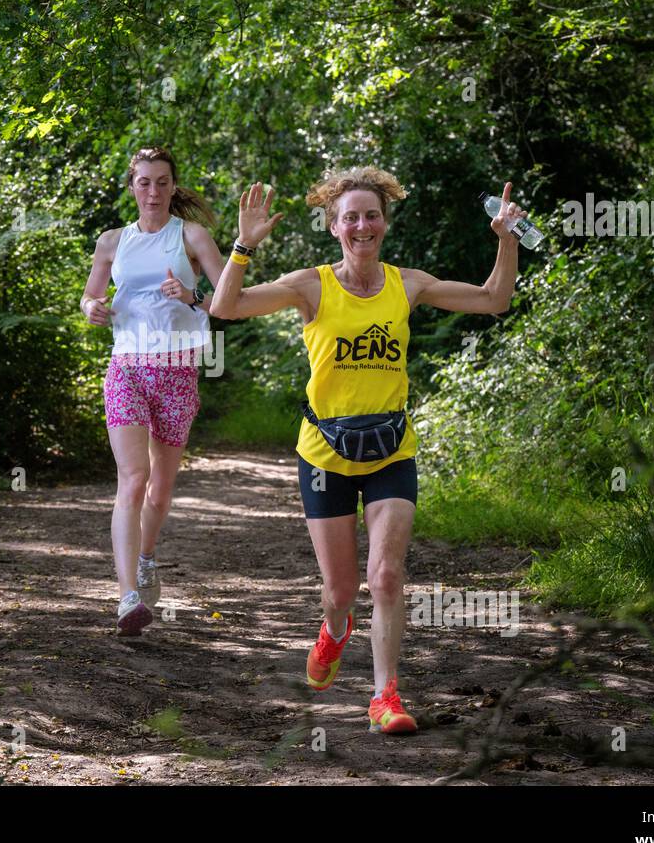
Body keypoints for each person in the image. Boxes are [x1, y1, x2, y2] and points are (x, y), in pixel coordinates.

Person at [210, 169, 523, 732]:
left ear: (384, 223)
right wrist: (244, 246)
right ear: (334, 227)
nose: (362, 225)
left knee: (386, 577)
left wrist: (506, 237)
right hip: (326, 455)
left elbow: (494, 299)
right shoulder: (311, 285)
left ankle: (385, 696)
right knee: (340, 592)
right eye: (350, 216)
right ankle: (333, 630)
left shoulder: (408, 284)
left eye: (371, 215)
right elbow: (224, 308)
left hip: (391, 450)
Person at [80, 147, 226, 635]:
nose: (153, 192)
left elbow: (230, 298)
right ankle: (126, 598)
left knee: (160, 490)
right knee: (133, 478)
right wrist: (91, 309)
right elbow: (90, 295)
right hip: (126, 367)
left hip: (177, 371)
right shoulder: (112, 242)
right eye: (144, 182)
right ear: (132, 187)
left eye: (162, 182)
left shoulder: (191, 236)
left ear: (172, 186)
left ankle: (146, 557)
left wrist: (192, 296)